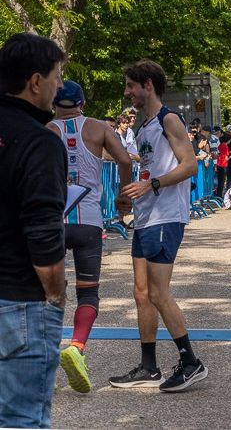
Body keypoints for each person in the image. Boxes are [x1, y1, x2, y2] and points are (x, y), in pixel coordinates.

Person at [111, 60, 207, 392]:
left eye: (130, 86)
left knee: (158, 293)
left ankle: (192, 362)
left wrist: (152, 187)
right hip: (146, 216)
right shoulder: (145, 125)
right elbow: (150, 170)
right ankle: (148, 367)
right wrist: (130, 197)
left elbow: (191, 165)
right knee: (141, 294)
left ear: (147, 85)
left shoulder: (169, 119)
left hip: (166, 216)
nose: (127, 93)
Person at [48, 80, 133, 394]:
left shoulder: (46, 130)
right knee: (89, 292)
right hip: (89, 222)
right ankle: (77, 347)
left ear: (55, 103)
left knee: (49, 293)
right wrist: (124, 197)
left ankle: (44, 362)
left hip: (53, 221)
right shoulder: (98, 128)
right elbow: (124, 160)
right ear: (82, 102)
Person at [0, 33, 68, 427]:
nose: (59, 87)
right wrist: (55, 293)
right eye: (57, 76)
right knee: (21, 420)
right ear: (36, 81)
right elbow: (43, 230)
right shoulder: (38, 141)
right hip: (19, 299)